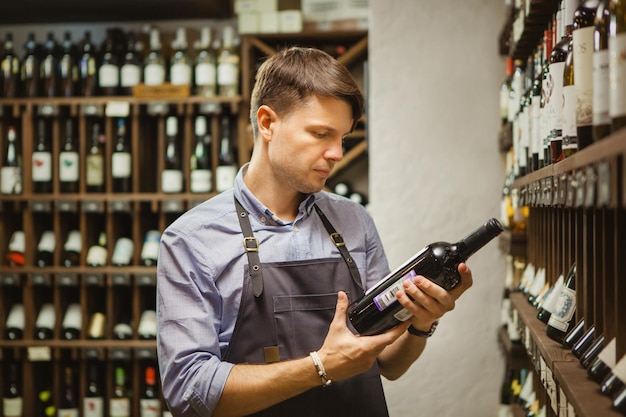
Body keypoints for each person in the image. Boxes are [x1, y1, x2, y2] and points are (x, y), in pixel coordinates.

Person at [157, 46, 473, 417]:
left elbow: (388, 362)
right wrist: (320, 368)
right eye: (321, 134)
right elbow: (189, 390)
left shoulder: (354, 221)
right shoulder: (192, 239)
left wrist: (421, 322)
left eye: (342, 137)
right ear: (267, 122)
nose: (337, 153)